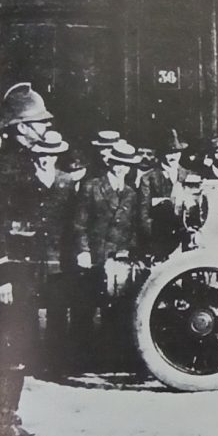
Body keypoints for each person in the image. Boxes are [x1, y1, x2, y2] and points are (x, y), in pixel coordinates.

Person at [0, 82, 53, 436]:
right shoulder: (6, 166)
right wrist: (2, 272)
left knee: (19, 343)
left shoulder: (22, 160)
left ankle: (9, 418)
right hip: (9, 271)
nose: (46, 128)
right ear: (20, 127)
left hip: (24, 268)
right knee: (11, 343)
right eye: (39, 124)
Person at [6, 131, 79, 378]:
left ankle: (56, 364)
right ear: (35, 156)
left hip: (58, 256)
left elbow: (74, 222)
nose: (45, 159)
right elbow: (12, 221)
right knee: (27, 308)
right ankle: (31, 362)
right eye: (41, 154)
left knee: (59, 309)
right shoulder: (22, 183)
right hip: (30, 256)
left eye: (50, 154)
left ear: (57, 155)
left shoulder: (67, 181)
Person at [73, 140, 141, 369]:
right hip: (95, 256)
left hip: (120, 259)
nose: (122, 168)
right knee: (87, 308)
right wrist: (83, 251)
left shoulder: (131, 192)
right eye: (118, 163)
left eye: (127, 165)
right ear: (110, 162)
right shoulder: (92, 186)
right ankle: (81, 361)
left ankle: (114, 360)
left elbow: (133, 227)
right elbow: (79, 225)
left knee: (119, 309)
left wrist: (128, 251)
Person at [138, 129, 191, 261]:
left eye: (176, 152)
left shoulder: (189, 175)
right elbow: (143, 213)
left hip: (185, 240)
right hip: (160, 240)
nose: (173, 157)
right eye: (169, 153)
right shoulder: (148, 178)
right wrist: (155, 238)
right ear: (162, 154)